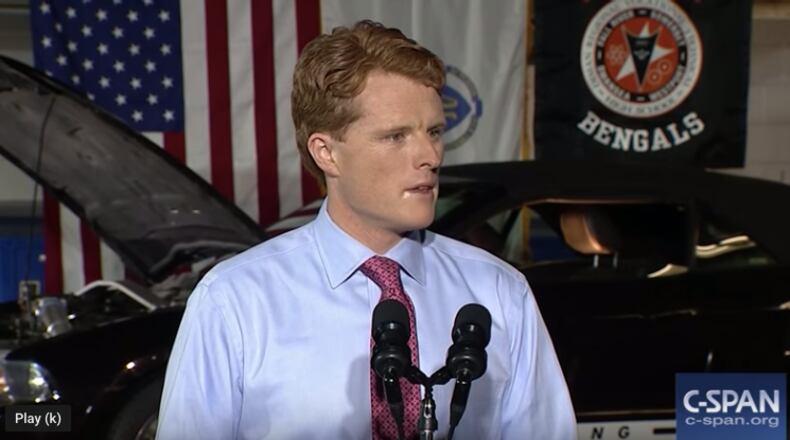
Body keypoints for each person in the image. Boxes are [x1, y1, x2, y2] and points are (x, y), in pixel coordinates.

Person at [156, 20, 575, 440]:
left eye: (434, 132)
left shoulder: (500, 292)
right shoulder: (236, 300)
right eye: (396, 136)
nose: (429, 155)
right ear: (327, 153)